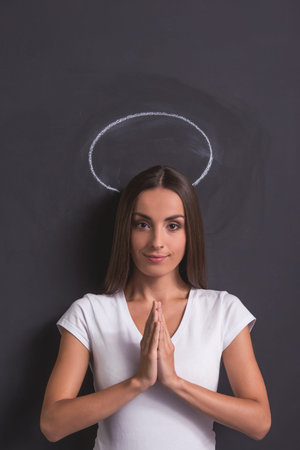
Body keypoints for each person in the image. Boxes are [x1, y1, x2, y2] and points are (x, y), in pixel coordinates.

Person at [40, 165, 271, 449]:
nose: (157, 242)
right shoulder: (90, 313)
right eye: (143, 224)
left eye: (173, 225)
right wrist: (138, 382)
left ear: (190, 233)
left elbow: (259, 423)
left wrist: (174, 382)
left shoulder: (222, 310)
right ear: (127, 229)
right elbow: (52, 425)